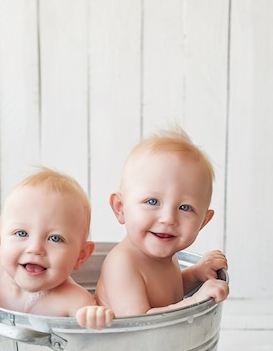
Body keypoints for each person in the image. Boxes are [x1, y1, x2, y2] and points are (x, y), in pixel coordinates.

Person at [0, 167, 114, 330]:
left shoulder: (74, 300)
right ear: (0, 240)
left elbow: (93, 339)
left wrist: (95, 317)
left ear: (81, 256)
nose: (35, 248)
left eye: (55, 238)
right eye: (21, 233)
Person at [95, 127, 229, 316]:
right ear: (120, 208)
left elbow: (166, 291)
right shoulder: (122, 264)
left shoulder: (164, 252)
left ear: (203, 222)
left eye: (185, 208)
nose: (168, 219)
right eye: (152, 202)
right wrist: (195, 301)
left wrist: (195, 273)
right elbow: (140, 323)